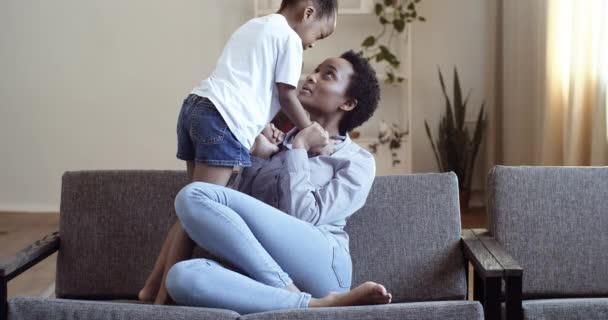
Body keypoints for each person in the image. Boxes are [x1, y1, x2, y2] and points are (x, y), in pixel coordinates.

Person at [139, 0, 339, 304]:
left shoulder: (255, 26)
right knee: (200, 211)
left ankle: (150, 290)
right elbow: (286, 94)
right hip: (220, 118)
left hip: (198, 106)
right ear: (307, 12)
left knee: (189, 211)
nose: (312, 44)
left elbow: (242, 84)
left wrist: (259, 128)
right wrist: (309, 129)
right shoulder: (289, 38)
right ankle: (162, 302)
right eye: (319, 35)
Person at [165, 50, 390, 314]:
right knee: (181, 277)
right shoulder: (276, 142)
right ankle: (309, 305)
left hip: (324, 267)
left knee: (194, 195)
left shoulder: (357, 161)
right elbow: (232, 220)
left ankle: (289, 291)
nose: (312, 77)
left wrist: (300, 149)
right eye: (315, 70)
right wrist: (257, 158)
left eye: (327, 75)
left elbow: (304, 216)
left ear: (348, 103)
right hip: (269, 269)